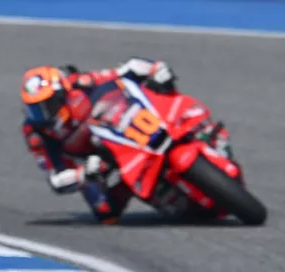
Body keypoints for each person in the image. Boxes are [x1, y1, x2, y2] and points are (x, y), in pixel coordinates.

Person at [20, 57, 203, 223]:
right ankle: (139, 186)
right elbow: (55, 179)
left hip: (121, 123)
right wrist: (82, 174)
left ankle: (195, 125)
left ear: (63, 94)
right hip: (96, 159)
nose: (42, 115)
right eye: (35, 109)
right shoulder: (36, 133)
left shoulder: (80, 83)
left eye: (47, 105)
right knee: (105, 212)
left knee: (162, 88)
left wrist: (153, 69)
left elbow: (122, 72)